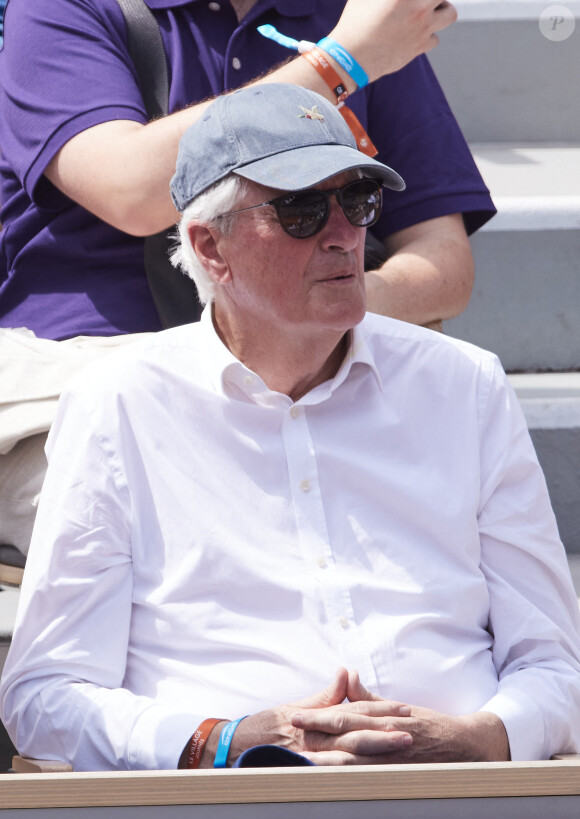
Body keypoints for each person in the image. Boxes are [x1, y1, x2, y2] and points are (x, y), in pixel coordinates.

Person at [1, 82, 578, 772]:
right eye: (303, 210)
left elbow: (554, 666)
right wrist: (227, 742)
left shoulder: (466, 386)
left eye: (358, 201)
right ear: (210, 247)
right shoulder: (119, 403)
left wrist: (478, 739)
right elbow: (46, 697)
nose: (345, 236)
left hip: (454, 804)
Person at [0, 0, 496, 558]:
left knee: (443, 525)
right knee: (214, 547)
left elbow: (444, 266)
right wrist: (342, 63)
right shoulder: (61, 8)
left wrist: (302, 315)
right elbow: (131, 193)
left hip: (312, 382)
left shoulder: (352, 15)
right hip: (92, 373)